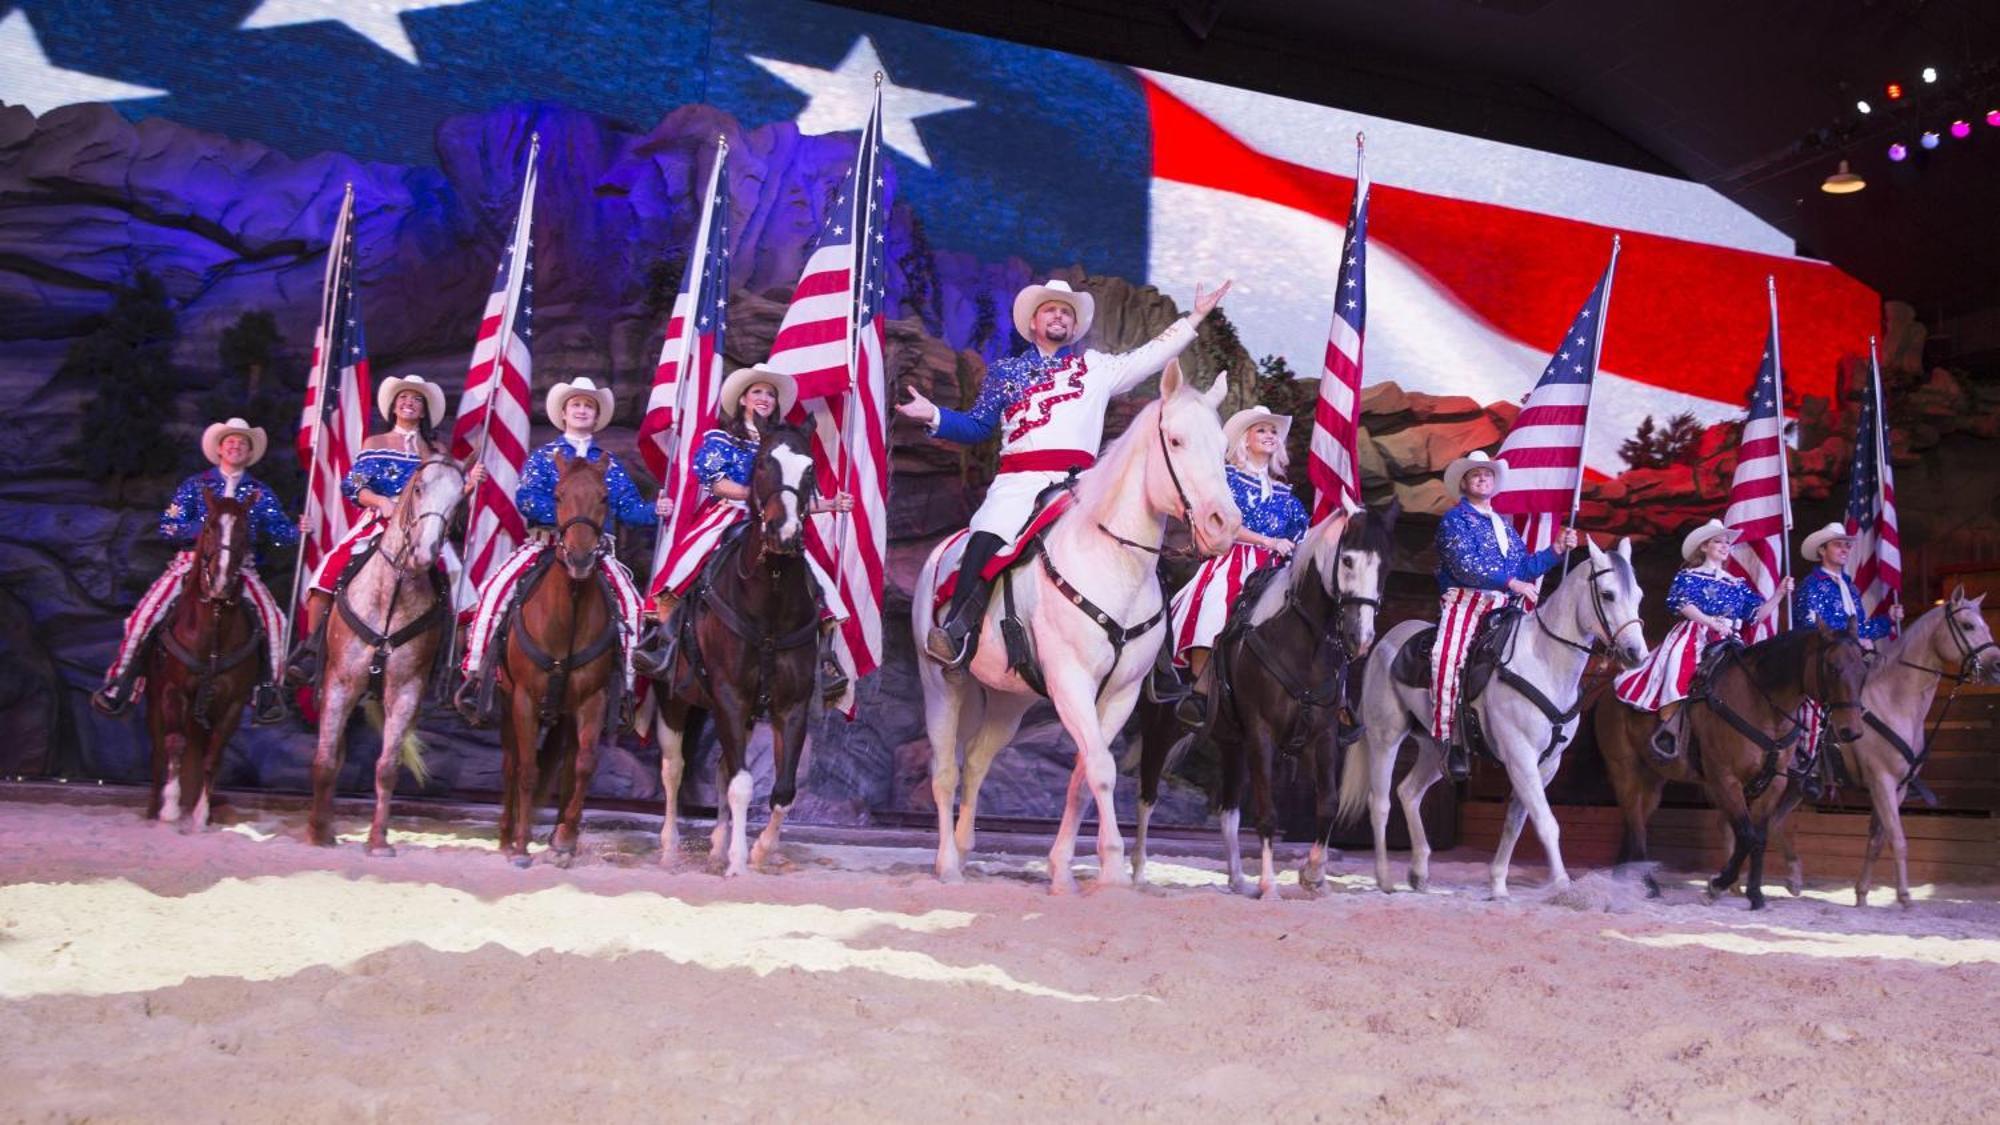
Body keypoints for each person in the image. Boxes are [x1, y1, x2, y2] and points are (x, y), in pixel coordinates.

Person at [897, 276, 1233, 667]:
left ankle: (1154, 662)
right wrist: (933, 414)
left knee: (1135, 549)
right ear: (1034, 324)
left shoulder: (1095, 368)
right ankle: (957, 629)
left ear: (1073, 327)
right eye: (1050, 309)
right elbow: (975, 427)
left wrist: (1195, 317)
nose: (1059, 316)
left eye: (1066, 312)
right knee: (989, 531)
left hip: (1082, 488)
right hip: (1020, 484)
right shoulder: (1005, 373)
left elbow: (1148, 356)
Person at [457, 377, 668, 718]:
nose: (582, 410)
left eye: (588, 405)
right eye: (576, 405)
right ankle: (475, 673)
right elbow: (527, 499)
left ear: (596, 415)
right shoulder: (544, 457)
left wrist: (654, 511)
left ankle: (628, 688)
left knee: (631, 604)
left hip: (597, 551)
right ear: (565, 414)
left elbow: (628, 508)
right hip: (547, 544)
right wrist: (571, 518)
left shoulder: (609, 463)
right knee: (495, 591)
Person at [645, 365, 856, 700]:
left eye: (770, 394)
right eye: (757, 391)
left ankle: (823, 658)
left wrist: (830, 503)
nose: (764, 398)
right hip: (729, 514)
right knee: (691, 559)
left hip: (774, 516)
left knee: (816, 575)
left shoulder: (783, 444)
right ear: (743, 399)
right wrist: (753, 496)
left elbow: (791, 495)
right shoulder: (721, 438)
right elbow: (716, 482)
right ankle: (665, 642)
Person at [93, 418, 297, 724]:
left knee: (276, 620)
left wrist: (298, 529)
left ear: (250, 452)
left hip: (241, 568)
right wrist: (208, 529)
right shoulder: (195, 485)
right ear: (218, 449)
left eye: (243, 442)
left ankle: (268, 691)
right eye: (230, 441)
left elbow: (281, 533)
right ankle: (121, 682)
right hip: (192, 562)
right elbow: (168, 526)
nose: (236, 445)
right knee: (144, 615)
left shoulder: (259, 492)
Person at [284, 375, 483, 684]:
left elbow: (447, 494)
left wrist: (468, 486)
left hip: (423, 525)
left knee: (460, 585)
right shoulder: (375, 443)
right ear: (393, 406)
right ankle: (312, 649)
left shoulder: (437, 449)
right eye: (403, 397)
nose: (409, 402)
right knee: (327, 573)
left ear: (423, 410)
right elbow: (353, 485)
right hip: (379, 521)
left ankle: (451, 665)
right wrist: (379, 501)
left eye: (416, 399)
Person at [1429, 450, 1578, 779]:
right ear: (1465, 483)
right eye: (1476, 474)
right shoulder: (1455, 520)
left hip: (1504, 606)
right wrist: (1512, 582)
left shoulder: (1505, 527)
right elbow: (1463, 565)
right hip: (1466, 601)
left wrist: (1555, 549)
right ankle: (1449, 738)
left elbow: (1524, 567)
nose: (1483, 478)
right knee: (1446, 657)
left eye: (1488, 474)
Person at [1165, 401, 1307, 725]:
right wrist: (1269, 541)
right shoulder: (1226, 478)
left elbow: (1300, 534)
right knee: (1216, 605)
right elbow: (1224, 522)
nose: (1270, 435)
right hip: (1234, 559)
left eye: (1274, 431)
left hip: (1275, 569)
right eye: (1262, 429)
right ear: (1245, 438)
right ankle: (1200, 692)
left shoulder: (1287, 494)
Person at [1614, 518, 1789, 759]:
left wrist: (1778, 595)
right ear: (1704, 547)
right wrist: (1709, 622)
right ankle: (1669, 727)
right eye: (1718, 541)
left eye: (1727, 542)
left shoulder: (1736, 583)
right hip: (1694, 633)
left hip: (1729, 637)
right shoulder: (1689, 576)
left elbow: (1756, 615)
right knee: (1678, 668)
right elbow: (1682, 604)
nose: (1724, 546)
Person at [1790, 521, 1902, 793]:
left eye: (1847, 545)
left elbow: (1860, 628)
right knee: (1820, 699)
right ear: (1822, 551)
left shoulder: (1849, 588)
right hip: (1823, 656)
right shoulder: (1811, 586)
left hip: (1850, 654)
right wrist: (1850, 641)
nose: (1845, 549)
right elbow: (1811, 628)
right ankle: (1810, 761)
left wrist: (1886, 622)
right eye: (1839, 545)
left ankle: (1889, 759)